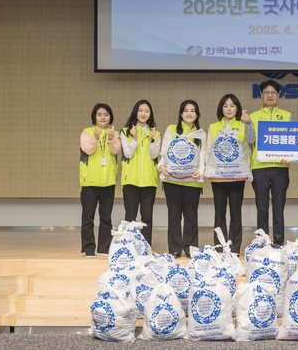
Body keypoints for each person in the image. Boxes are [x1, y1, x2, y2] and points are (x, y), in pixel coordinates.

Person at [205, 94, 255, 254]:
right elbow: (208, 151)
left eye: (232, 106)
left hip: (236, 176)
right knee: (219, 213)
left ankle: (234, 248)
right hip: (218, 177)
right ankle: (220, 247)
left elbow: (249, 147)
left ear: (238, 109)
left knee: (235, 213)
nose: (229, 109)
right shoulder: (213, 127)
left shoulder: (242, 125)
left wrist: (246, 169)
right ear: (221, 108)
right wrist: (209, 169)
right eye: (226, 106)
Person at [159, 100, 205, 258]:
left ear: (197, 114)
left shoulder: (200, 133)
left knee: (191, 216)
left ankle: (191, 248)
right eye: (186, 110)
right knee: (174, 215)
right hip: (172, 180)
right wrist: (161, 166)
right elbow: (164, 151)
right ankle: (175, 248)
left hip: (192, 181)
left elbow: (203, 156)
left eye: (193, 110)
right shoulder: (171, 130)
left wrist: (201, 172)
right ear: (180, 113)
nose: (189, 113)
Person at [249, 80, 292, 245]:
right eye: (266, 92)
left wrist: (289, 155)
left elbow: (290, 141)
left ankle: (279, 241)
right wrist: (247, 124)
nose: (269, 95)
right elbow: (250, 140)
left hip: (281, 167)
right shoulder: (253, 116)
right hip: (259, 167)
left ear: (278, 95)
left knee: (279, 206)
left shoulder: (287, 115)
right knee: (261, 207)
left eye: (273, 92)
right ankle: (262, 240)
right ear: (261, 95)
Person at [79, 103, 121, 258]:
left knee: (106, 218)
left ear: (110, 117)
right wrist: (96, 137)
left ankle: (104, 247)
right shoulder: (87, 132)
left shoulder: (115, 133)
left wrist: (110, 138)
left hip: (108, 182)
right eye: (99, 114)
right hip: (89, 182)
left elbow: (116, 151)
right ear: (94, 117)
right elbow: (88, 150)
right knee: (88, 217)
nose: (103, 117)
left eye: (106, 114)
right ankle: (89, 247)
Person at [120, 100, 161, 245]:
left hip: (149, 181)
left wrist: (151, 140)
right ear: (135, 112)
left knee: (147, 218)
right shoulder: (125, 132)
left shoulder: (156, 133)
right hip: (130, 180)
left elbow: (155, 155)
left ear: (150, 114)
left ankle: (146, 247)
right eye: (140, 110)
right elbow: (128, 154)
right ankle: (130, 246)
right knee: (130, 217)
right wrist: (135, 139)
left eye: (147, 111)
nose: (143, 114)